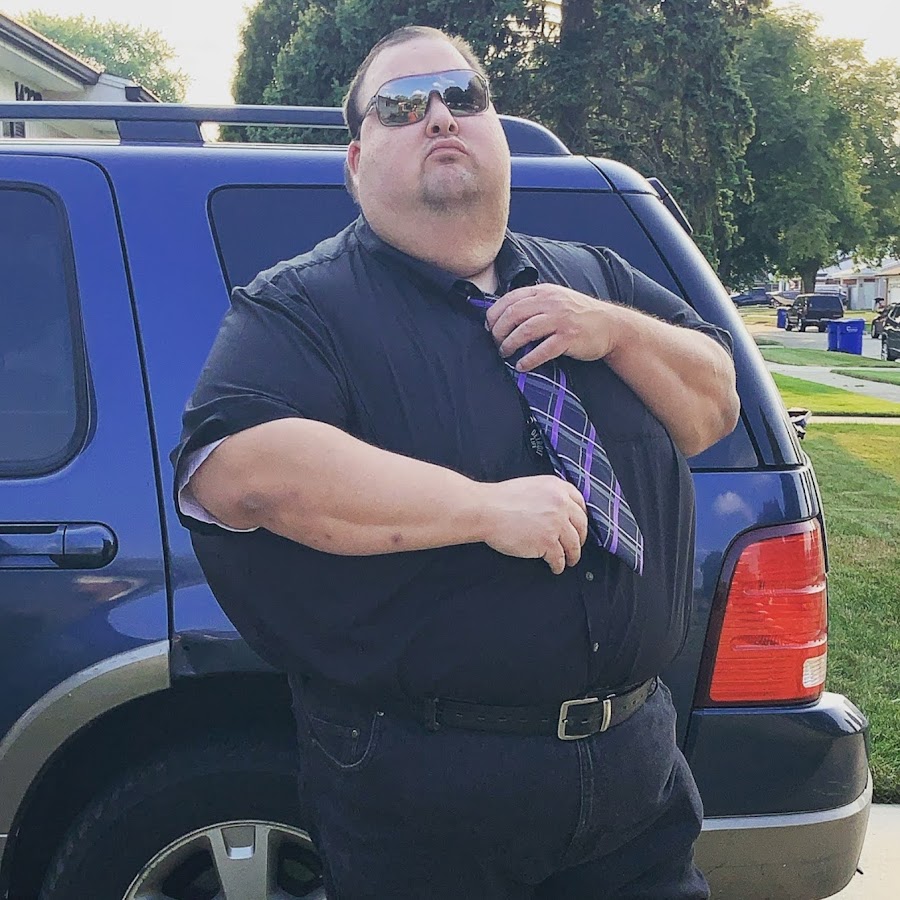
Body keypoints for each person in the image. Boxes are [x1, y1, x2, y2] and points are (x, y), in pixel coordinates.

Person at [172, 24, 739, 900]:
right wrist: (482, 509)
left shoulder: (595, 279)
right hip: (426, 789)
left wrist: (616, 331)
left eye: (463, 97)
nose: (440, 116)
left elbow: (714, 408)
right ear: (356, 161)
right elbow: (239, 469)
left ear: (497, 131)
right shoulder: (300, 307)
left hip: (635, 779)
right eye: (402, 106)